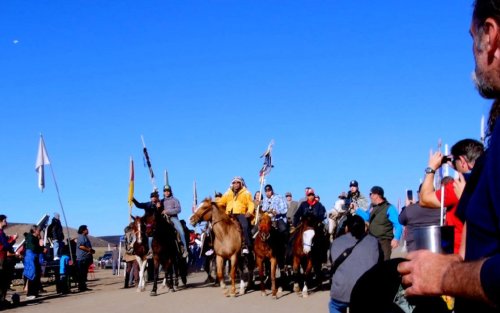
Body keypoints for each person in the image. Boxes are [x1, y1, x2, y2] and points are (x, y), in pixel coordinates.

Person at [398, 2, 500, 310]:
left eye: (472, 37)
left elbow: (426, 199)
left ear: (490, 35)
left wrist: (448, 273)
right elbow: (430, 199)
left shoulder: (465, 182)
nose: (472, 49)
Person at [419, 139, 484, 254]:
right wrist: (457, 165)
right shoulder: (488, 181)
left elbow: (424, 199)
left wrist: (431, 168)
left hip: (460, 254)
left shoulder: (457, 186)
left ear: (463, 161)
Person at [329, 215, 381, 313]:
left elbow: (332, 262)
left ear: (346, 228)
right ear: (364, 228)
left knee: (334, 306)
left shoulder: (336, 242)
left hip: (340, 292)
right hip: (365, 293)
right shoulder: (374, 241)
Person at [356, 186, 402, 261]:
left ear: (376, 195)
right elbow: (367, 217)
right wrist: (357, 209)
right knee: (372, 264)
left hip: (384, 241)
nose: (370, 196)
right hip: (372, 241)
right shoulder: (371, 207)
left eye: (371, 194)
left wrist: (396, 239)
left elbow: (398, 224)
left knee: (384, 265)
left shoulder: (389, 208)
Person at [217, 176, 255, 254]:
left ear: (241, 184)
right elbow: (221, 202)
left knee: (245, 226)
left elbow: (250, 204)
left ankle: (246, 245)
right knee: (216, 225)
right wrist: (214, 203)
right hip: (229, 214)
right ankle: (211, 246)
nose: (236, 184)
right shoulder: (228, 193)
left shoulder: (246, 193)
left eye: (238, 182)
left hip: (241, 213)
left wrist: (249, 212)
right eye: (234, 183)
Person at [398, 185, 441, 252]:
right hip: (435, 248)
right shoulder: (440, 209)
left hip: (414, 249)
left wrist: (407, 207)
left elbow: (401, 220)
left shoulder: (410, 209)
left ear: (419, 194)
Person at [260, 184, 289, 271]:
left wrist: (277, 212)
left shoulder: (279, 197)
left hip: (277, 218)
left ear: (272, 190)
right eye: (266, 191)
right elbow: (264, 209)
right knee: (255, 230)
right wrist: (263, 209)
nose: (268, 193)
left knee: (284, 230)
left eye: (269, 191)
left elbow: (285, 208)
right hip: (267, 219)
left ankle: (286, 248)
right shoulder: (265, 200)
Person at [161, 185, 188, 258]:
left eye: (168, 191)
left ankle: (185, 249)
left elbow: (178, 209)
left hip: (173, 218)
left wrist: (167, 211)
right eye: (165, 191)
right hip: (163, 219)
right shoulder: (161, 201)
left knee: (181, 231)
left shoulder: (175, 200)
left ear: (170, 191)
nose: (166, 192)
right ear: (163, 192)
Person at [132, 191, 161, 257]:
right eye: (152, 197)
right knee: (136, 226)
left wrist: (158, 208)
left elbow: (159, 214)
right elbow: (138, 205)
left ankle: (150, 250)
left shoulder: (159, 204)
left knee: (150, 236)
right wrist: (133, 199)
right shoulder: (147, 204)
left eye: (154, 197)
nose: (153, 198)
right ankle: (132, 245)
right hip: (146, 222)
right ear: (150, 198)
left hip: (155, 223)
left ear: (157, 198)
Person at [23, 225, 44, 300]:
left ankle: (35, 292)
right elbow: (34, 248)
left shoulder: (35, 238)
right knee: (32, 274)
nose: (40, 232)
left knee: (37, 274)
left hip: (35, 257)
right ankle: (30, 293)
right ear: (35, 230)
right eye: (39, 230)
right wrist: (41, 247)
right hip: (31, 258)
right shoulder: (30, 237)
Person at [0, 215, 18, 307]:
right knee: (2, 278)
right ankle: (1, 301)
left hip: (2, 257)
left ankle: (2, 300)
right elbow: (6, 245)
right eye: (4, 220)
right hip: (1, 258)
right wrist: (13, 240)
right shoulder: (0, 233)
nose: (6, 222)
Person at [76, 225, 94, 292]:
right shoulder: (81, 237)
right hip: (81, 258)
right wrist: (89, 250)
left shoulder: (85, 237)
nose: (88, 230)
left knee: (84, 273)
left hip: (85, 258)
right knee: (81, 273)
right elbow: (80, 246)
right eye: (86, 229)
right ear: (83, 230)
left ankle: (83, 286)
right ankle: (81, 287)